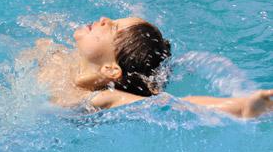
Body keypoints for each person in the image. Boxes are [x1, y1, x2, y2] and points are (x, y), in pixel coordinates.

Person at [22, 16, 273, 118]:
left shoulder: (102, 99)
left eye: (112, 28)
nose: (104, 19)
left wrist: (243, 106)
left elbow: (176, 103)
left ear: (111, 69)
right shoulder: (55, 55)